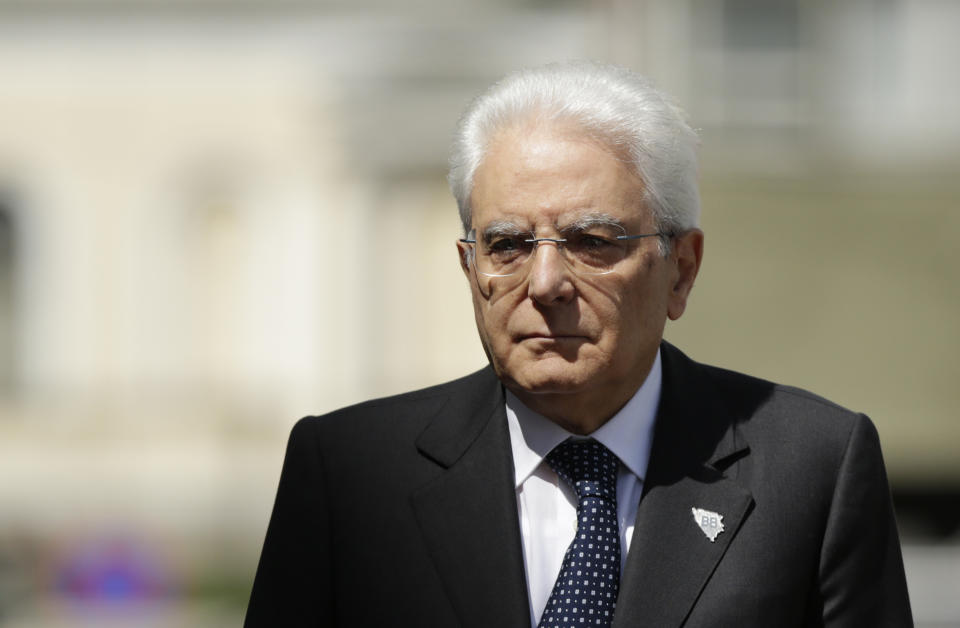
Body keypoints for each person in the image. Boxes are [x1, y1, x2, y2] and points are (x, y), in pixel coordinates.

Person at [244, 61, 912, 627]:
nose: (545, 283)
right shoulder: (347, 475)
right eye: (507, 244)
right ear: (469, 267)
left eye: (593, 243)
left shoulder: (811, 469)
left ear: (681, 269)